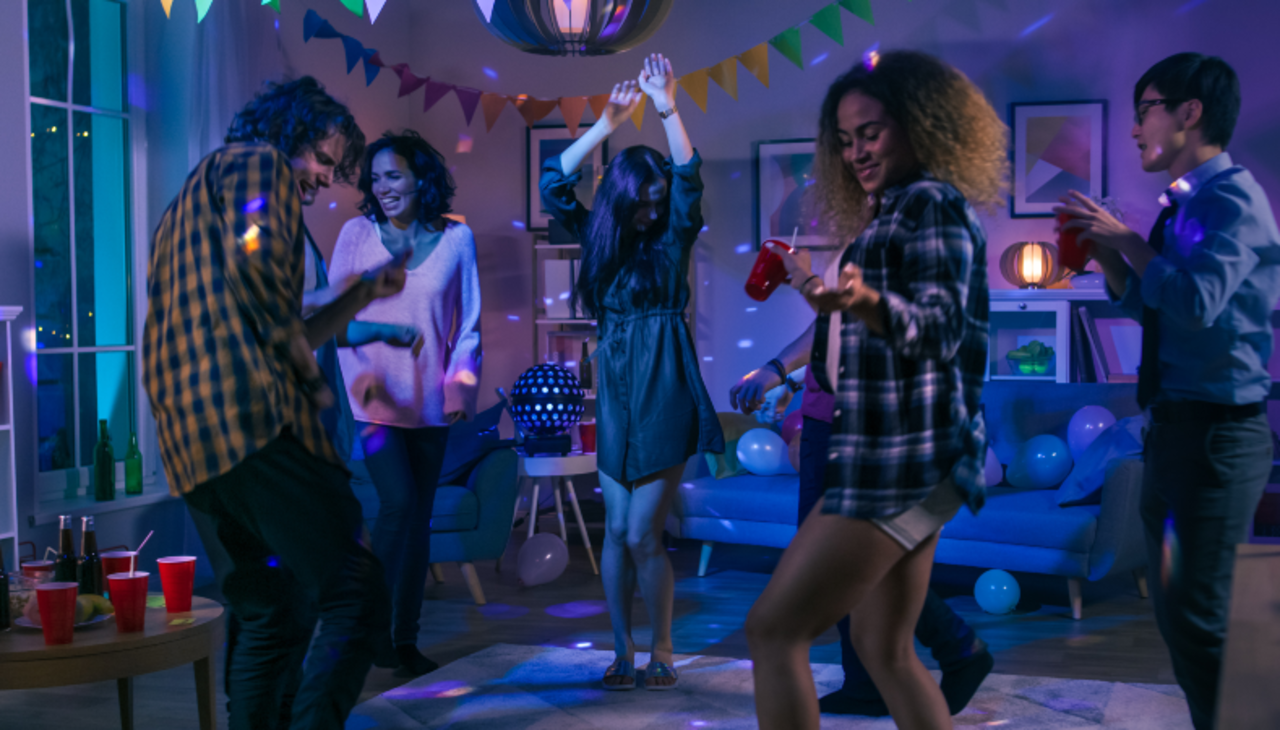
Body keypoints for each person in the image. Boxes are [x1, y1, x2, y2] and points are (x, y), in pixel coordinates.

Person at [743, 50, 1005, 729]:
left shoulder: (931, 206)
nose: (856, 151)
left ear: (920, 125)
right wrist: (821, 291)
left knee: (773, 630)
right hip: (916, 459)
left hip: (902, 461)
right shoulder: (892, 210)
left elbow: (940, 327)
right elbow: (859, 321)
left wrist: (869, 304)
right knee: (883, 647)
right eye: (845, 138)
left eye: (872, 132)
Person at [145, 76, 406, 730]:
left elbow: (274, 316)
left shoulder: (192, 201)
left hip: (197, 448)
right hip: (255, 423)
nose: (323, 179)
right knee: (356, 594)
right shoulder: (256, 164)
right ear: (288, 130)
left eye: (334, 170)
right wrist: (313, 386)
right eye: (321, 157)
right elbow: (266, 293)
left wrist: (360, 293)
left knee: (272, 613)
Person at [1054, 53, 1280, 730]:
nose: (1134, 128)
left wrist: (1127, 239)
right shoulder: (1184, 204)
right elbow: (1152, 307)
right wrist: (1107, 256)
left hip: (1216, 437)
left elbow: (1195, 302)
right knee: (1182, 616)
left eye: (1144, 109)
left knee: (1200, 619)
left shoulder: (1231, 200)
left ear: (1190, 112)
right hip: (1173, 434)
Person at [540, 53, 724, 691]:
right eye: (641, 203)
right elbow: (552, 184)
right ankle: (621, 651)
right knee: (617, 530)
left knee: (644, 531)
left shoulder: (672, 241)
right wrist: (604, 125)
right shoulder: (600, 238)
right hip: (616, 393)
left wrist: (666, 106)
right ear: (620, 200)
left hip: (665, 389)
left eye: (657, 202)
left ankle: (662, 649)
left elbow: (688, 178)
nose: (650, 212)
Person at [731, 347, 991, 715]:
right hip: (864, 420)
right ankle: (922, 660)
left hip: (879, 427)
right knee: (883, 645)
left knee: (777, 626)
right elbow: (842, 334)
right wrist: (793, 380)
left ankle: (955, 646)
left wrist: (779, 369)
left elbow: (853, 331)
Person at [330, 130, 482, 677]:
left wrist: (460, 389)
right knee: (398, 505)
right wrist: (381, 337)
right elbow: (333, 322)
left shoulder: (458, 238)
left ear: (422, 179)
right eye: (375, 179)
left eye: (393, 175)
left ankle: (403, 642)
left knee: (418, 520)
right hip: (370, 402)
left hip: (431, 405)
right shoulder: (356, 235)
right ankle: (366, 625)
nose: (383, 187)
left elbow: (468, 325)